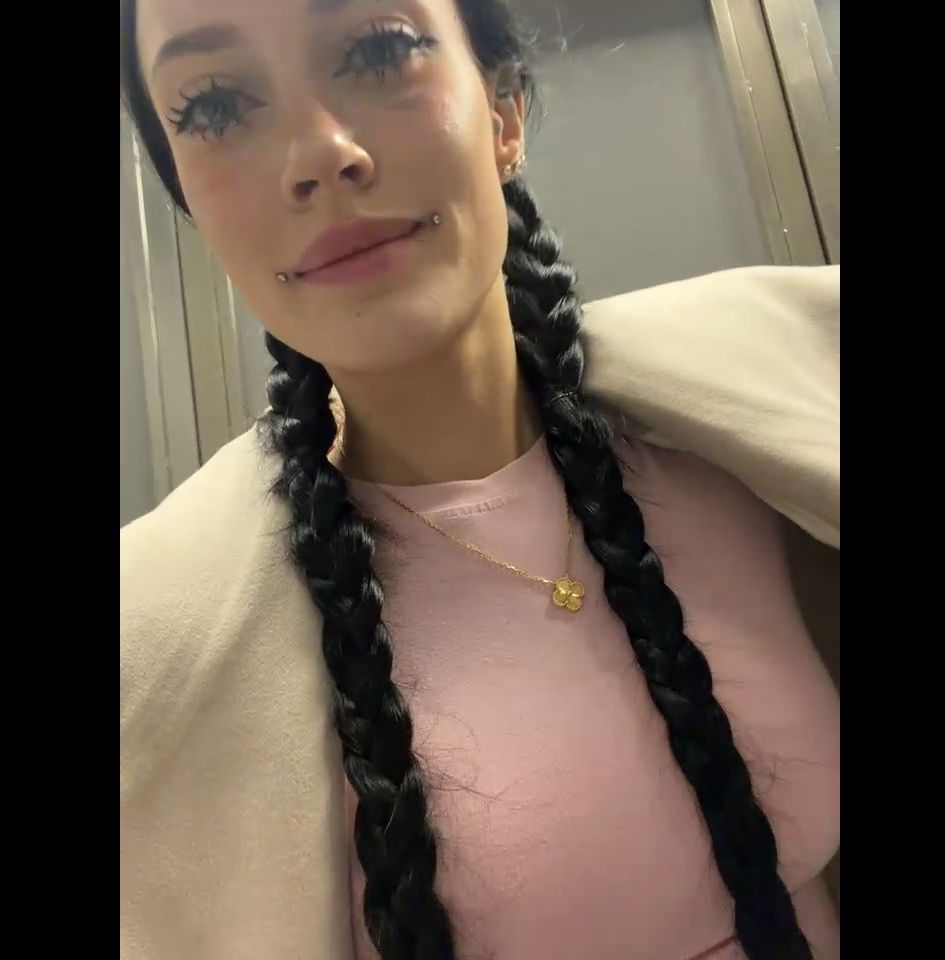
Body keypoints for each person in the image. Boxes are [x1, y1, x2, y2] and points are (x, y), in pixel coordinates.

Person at [119, 1, 840, 958]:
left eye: (378, 49)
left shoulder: (770, 410)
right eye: (214, 107)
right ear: (192, 206)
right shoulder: (154, 653)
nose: (318, 154)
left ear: (503, 112)